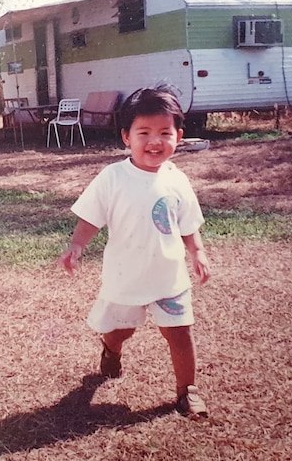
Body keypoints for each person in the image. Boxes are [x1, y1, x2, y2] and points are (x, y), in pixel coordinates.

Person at [57, 85, 212, 418]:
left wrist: (197, 252)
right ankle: (111, 349)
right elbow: (91, 218)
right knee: (122, 329)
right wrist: (77, 245)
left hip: (169, 276)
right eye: (144, 132)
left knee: (180, 332)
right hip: (127, 275)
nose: (154, 141)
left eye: (164, 133)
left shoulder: (178, 181)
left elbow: (187, 225)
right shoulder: (112, 178)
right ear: (127, 137)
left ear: (178, 136)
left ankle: (188, 391)